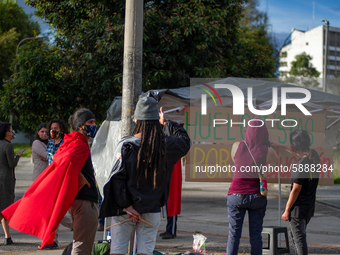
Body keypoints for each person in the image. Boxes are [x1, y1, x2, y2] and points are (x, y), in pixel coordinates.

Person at [100, 95, 191, 255]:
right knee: (146, 252)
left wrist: (128, 207)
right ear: (157, 120)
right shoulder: (166, 144)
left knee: (118, 250)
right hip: (152, 210)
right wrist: (167, 123)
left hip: (124, 211)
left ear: (137, 120)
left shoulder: (126, 145)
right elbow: (184, 141)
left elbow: (117, 179)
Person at [1, 108, 98, 254]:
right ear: (80, 126)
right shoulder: (79, 144)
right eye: (90, 122)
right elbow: (65, 161)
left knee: (79, 244)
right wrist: (78, 176)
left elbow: (58, 158)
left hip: (79, 200)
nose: (94, 125)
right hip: (85, 201)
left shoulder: (71, 141)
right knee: (81, 247)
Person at [227, 119, 278, 255]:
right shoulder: (268, 150)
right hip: (257, 195)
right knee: (256, 236)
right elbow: (275, 162)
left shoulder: (236, 146)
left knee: (234, 235)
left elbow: (236, 161)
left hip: (236, 195)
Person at [271, 129, 320, 255]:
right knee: (300, 237)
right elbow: (296, 151)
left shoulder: (300, 165)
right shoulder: (313, 156)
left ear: (295, 146)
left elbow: (296, 189)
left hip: (297, 209)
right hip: (308, 207)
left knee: (298, 240)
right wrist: (281, 145)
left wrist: (287, 210)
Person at [0, 123, 22, 245]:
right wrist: (18, 156)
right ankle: (7, 237)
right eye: (11, 130)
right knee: (5, 210)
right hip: (6, 182)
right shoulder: (8, 146)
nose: (13, 132)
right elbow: (11, 164)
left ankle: (8, 237)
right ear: (7, 133)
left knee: (4, 210)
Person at [160, 159, 182, 239]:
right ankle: (169, 229)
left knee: (172, 202)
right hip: (168, 169)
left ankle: (171, 231)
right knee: (169, 201)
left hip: (172, 170)